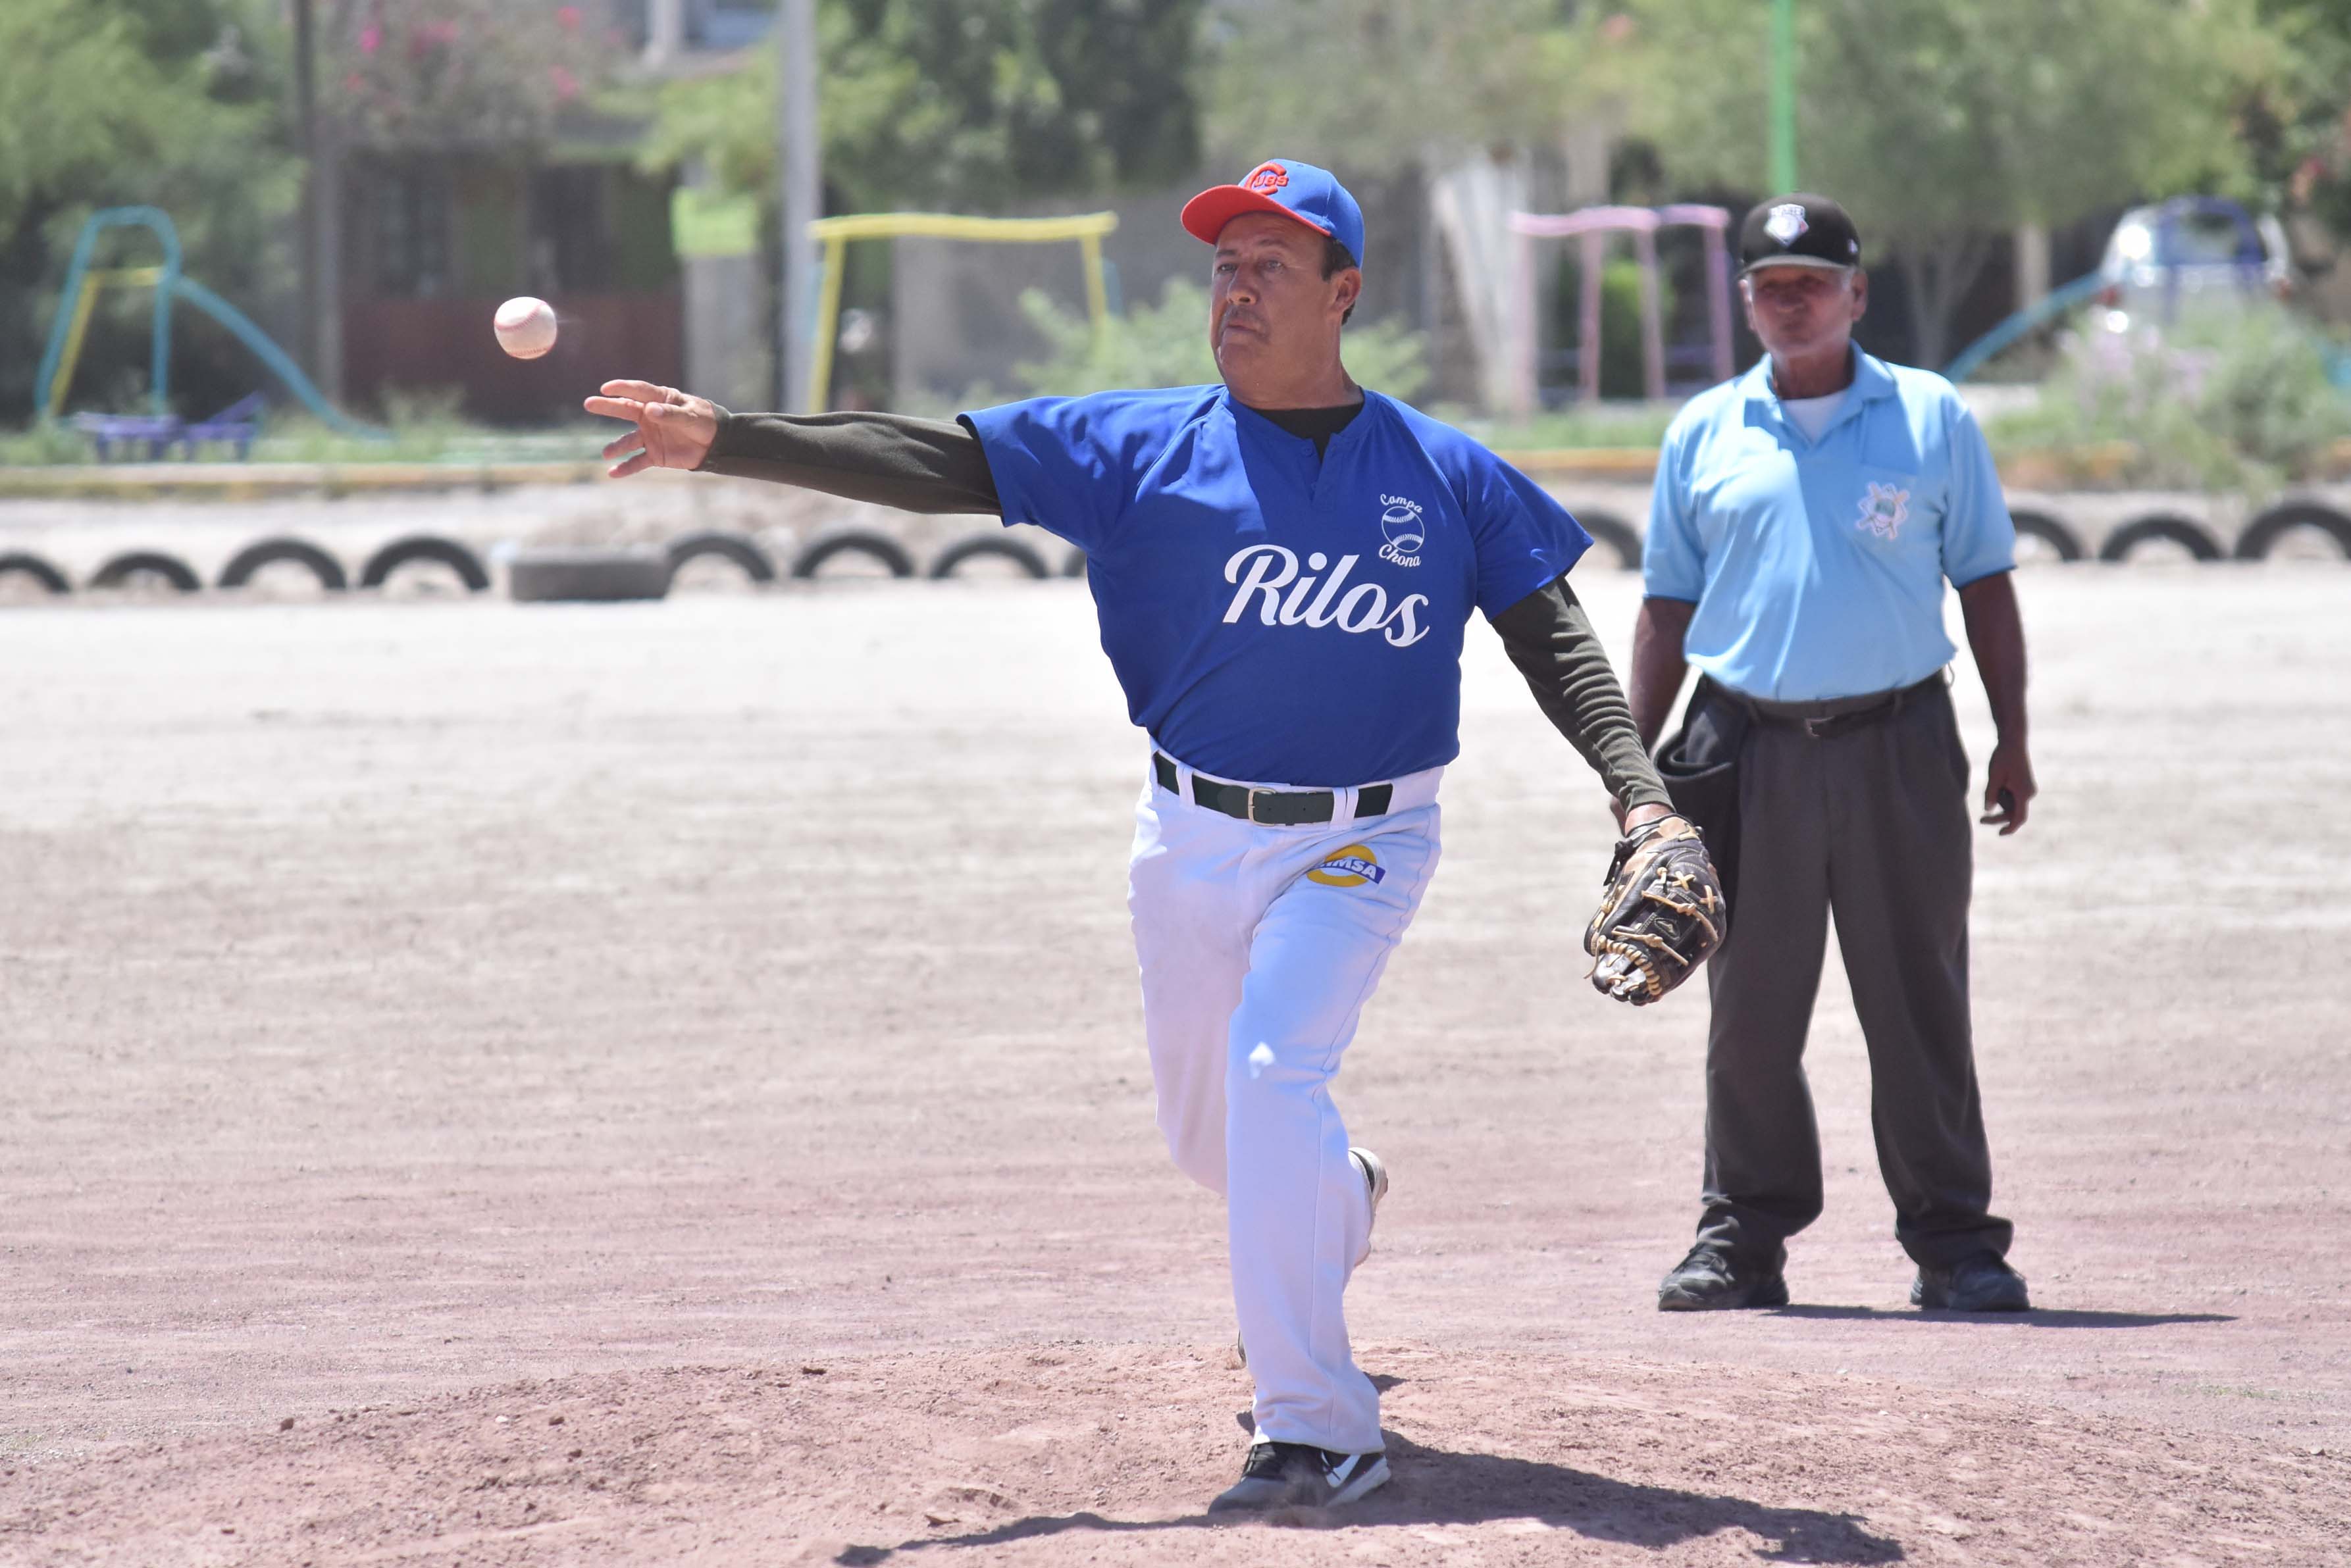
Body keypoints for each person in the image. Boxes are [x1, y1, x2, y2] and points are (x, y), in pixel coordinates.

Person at [588, 159, 1697, 1511]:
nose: (1235, 288)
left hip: (1364, 844)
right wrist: (734, 439)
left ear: (1342, 294)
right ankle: (1335, 1195)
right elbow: (940, 460)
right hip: (1184, 835)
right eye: (1224, 266)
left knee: (1274, 1068)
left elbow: (1557, 643)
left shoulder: (1443, 473)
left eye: (1270, 266)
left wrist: (1641, 795)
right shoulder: (1139, 446)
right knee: (1215, 1138)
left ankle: (1317, 1424)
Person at [1628, 194, 2036, 1315]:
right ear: (1745, 299)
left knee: (1917, 997)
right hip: (1741, 748)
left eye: (1814, 279)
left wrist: (2012, 735)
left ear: (1858, 294)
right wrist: (1631, 774)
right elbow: (1667, 604)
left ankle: (1955, 1245)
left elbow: (1987, 583)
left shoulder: (1931, 416)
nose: (1791, 298)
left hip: (1898, 742)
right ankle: (1742, 1241)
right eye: (1770, 282)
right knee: (1749, 1007)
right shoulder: (1703, 433)